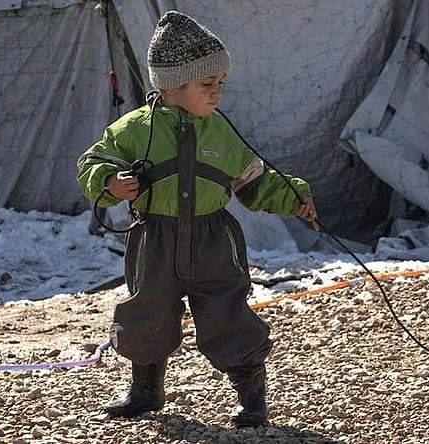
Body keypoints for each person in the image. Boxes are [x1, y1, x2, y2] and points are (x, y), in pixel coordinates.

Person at [76, 10, 318, 427]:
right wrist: (109, 181)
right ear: (171, 84)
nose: (218, 93)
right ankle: (146, 390)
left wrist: (294, 198)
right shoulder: (132, 130)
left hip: (213, 241)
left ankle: (251, 395)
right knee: (146, 313)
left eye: (221, 83)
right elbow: (91, 163)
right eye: (208, 84)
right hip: (154, 240)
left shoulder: (220, 131)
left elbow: (253, 179)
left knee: (228, 313)